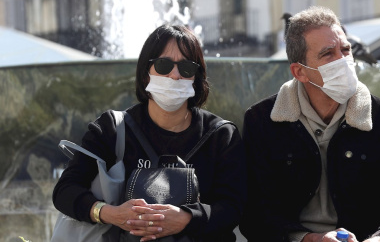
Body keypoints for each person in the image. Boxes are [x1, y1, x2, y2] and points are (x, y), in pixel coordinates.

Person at [238, 6, 380, 242]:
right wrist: (310, 239)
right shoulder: (262, 121)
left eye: (345, 49)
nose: (343, 60)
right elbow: (254, 215)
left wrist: (378, 240)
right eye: (328, 54)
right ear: (299, 72)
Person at [53, 24, 246, 241]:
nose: (174, 75)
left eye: (186, 68)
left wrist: (186, 218)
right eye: (163, 65)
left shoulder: (220, 135)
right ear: (146, 73)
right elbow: (65, 190)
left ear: (196, 78)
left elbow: (234, 207)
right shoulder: (112, 129)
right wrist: (111, 214)